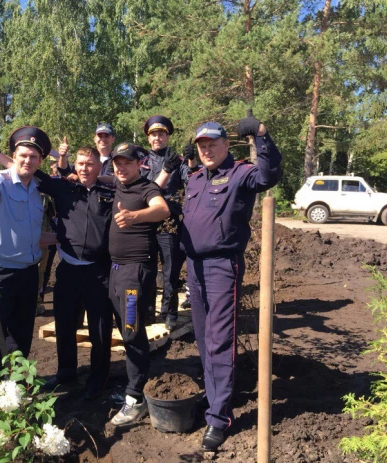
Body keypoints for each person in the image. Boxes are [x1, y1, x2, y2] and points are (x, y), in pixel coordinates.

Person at [180, 115, 282, 451]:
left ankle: (219, 418)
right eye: (202, 145)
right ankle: (213, 401)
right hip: (193, 269)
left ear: (226, 145)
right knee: (203, 340)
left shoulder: (239, 174)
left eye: (213, 144)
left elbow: (268, 175)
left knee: (220, 341)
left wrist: (262, 136)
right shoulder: (195, 179)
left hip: (222, 267)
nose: (207, 150)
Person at [0, 145, 116, 400]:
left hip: (99, 272)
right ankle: (66, 371)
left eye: (90, 163)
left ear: (98, 165)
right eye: (80, 163)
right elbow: (25, 169)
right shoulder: (61, 186)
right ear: (75, 165)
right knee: (65, 323)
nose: (84, 168)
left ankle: (98, 378)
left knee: (100, 328)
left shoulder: (110, 190)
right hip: (69, 269)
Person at [0, 126, 51, 379]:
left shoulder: (39, 189)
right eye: (23, 155)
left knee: (22, 335)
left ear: (40, 161)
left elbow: (33, 234)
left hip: (28, 273)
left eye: (33, 157)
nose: (27, 160)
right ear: (14, 155)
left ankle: (13, 386)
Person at [106, 142, 170, 426]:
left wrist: (134, 216)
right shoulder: (115, 184)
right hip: (115, 272)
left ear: (139, 164)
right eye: (117, 163)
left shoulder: (147, 189)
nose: (121, 167)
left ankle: (136, 398)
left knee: (132, 331)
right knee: (125, 329)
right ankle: (134, 389)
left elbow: (162, 209)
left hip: (135, 273)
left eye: (127, 163)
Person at [140, 115, 196, 330]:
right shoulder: (141, 161)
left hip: (169, 221)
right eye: (154, 134)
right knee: (146, 268)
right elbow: (142, 189)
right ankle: (146, 310)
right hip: (145, 220)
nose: (158, 138)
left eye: (162, 134)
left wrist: (191, 160)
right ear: (148, 137)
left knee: (171, 269)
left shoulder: (176, 159)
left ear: (167, 136)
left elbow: (191, 181)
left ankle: (169, 311)